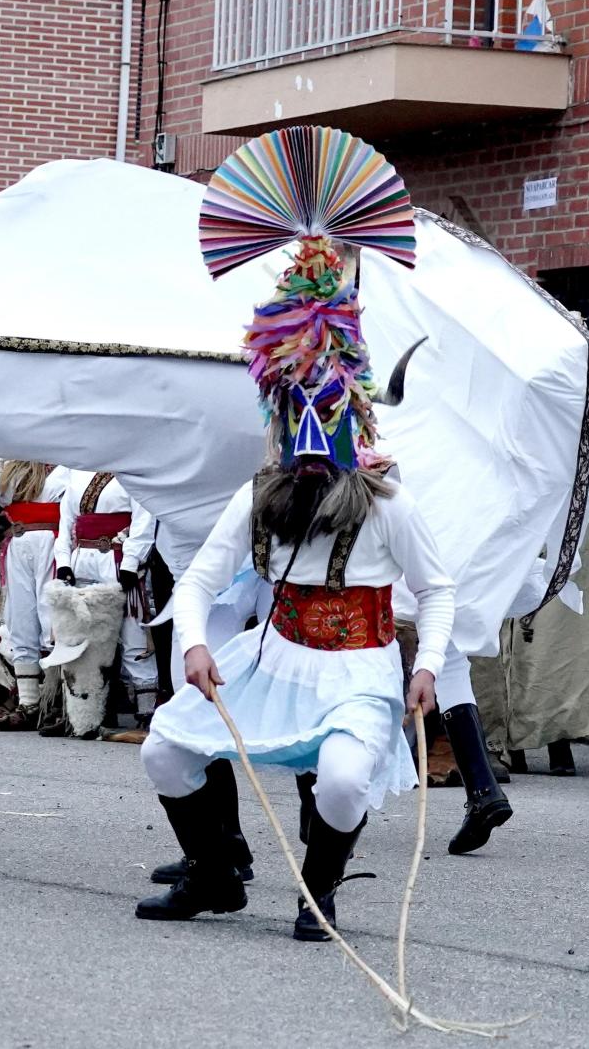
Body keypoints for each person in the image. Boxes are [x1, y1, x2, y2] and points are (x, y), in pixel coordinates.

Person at [135, 227, 452, 938]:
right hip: (273, 661)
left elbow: (438, 589)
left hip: (358, 672)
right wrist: (192, 644)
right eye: (294, 413)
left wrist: (426, 663)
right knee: (165, 747)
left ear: (352, 413)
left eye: (325, 411)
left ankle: (319, 892)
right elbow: (196, 582)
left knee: (342, 781)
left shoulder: (388, 501)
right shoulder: (258, 494)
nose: (308, 440)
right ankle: (214, 874)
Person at [0, 459, 70, 730]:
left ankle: (57, 703)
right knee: (20, 619)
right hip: (18, 542)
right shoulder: (12, 457)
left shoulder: (69, 457)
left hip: (54, 541)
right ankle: (29, 702)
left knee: (53, 621)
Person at [54, 471, 158, 728]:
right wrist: (64, 562)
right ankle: (87, 712)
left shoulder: (133, 472)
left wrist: (131, 563)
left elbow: (144, 519)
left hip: (116, 559)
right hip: (83, 562)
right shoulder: (77, 471)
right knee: (84, 639)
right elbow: (66, 521)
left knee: (132, 636)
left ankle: (147, 713)